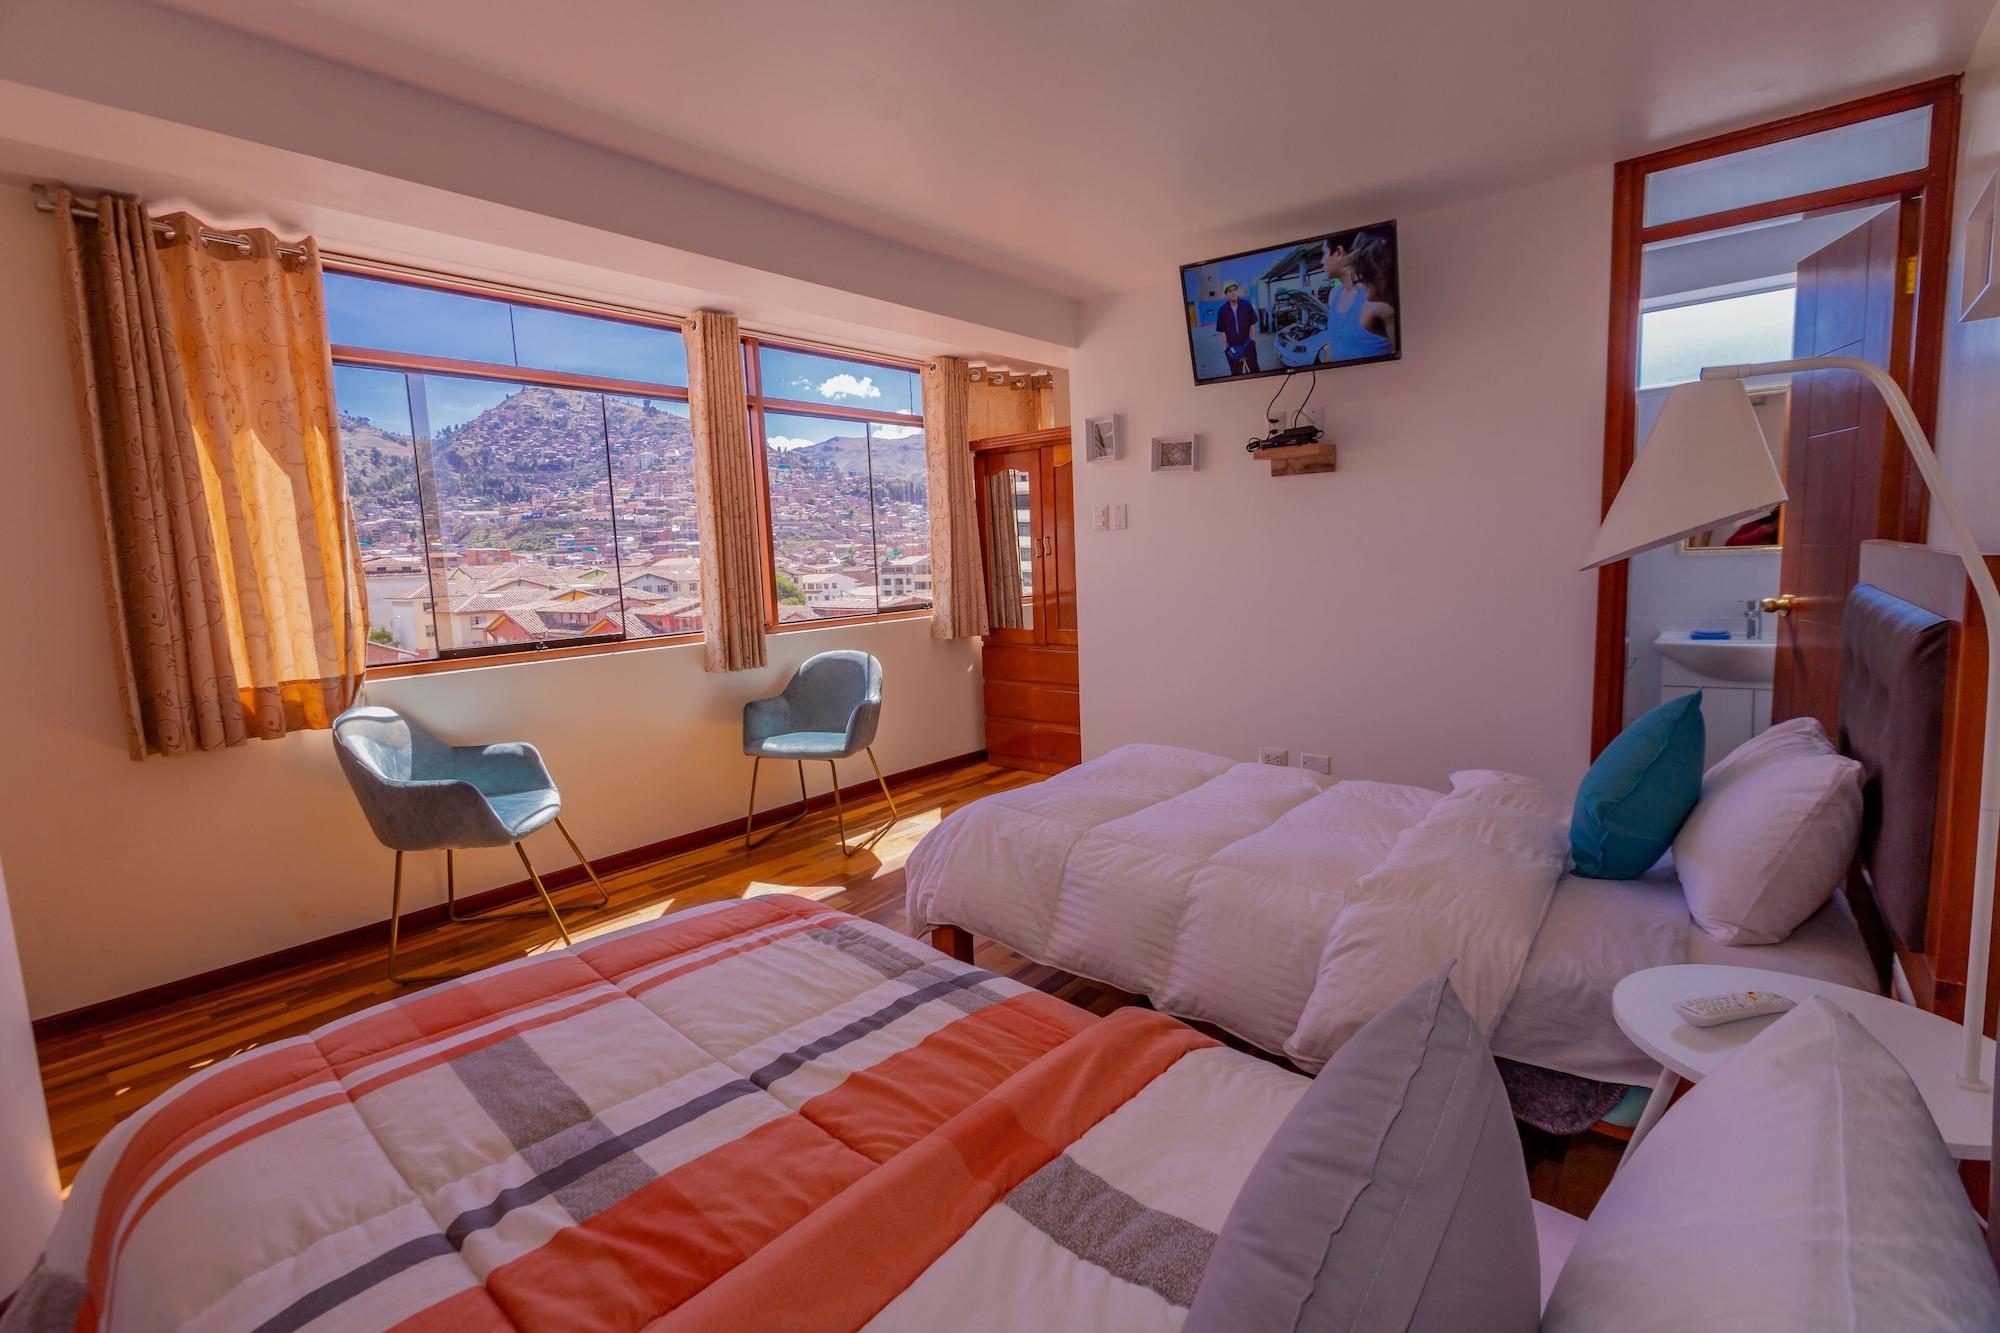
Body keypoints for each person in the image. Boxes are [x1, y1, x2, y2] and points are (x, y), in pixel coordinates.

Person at [1320, 232, 1398, 361]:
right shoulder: (1334, 295)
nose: (1322, 261)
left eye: (1324, 253)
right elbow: (1333, 343)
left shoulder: (1378, 299)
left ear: (1339, 252)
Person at [1213, 282, 1261, 374]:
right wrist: (1225, 348)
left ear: (1237, 291)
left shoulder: (1246, 305)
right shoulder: (1222, 310)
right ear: (1226, 294)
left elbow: (1252, 325)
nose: (1233, 293)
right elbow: (1223, 331)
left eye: (1234, 290)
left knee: (1254, 370)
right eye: (1229, 291)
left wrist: (1253, 341)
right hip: (1233, 348)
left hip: (1248, 344)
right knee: (1236, 373)